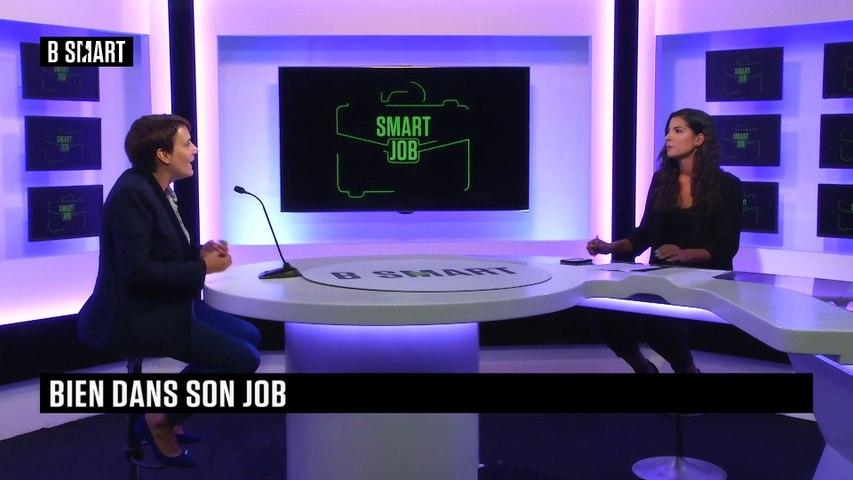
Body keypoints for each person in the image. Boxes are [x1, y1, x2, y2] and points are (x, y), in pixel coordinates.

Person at [77, 114, 261, 467]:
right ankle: (161, 419)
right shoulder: (132, 194)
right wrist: (204, 268)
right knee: (244, 359)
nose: (195, 150)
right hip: (138, 315)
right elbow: (137, 273)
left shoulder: (154, 187)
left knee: (250, 335)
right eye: (186, 144)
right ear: (163, 155)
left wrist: (199, 252)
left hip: (164, 303)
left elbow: (160, 251)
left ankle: (170, 412)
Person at [586, 108, 742, 374]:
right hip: (661, 277)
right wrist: (609, 247)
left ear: (699, 139)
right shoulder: (662, 180)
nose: (668, 137)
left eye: (678, 131)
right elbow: (643, 236)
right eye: (668, 131)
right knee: (602, 309)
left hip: (706, 279)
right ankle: (643, 368)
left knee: (656, 323)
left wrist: (685, 254)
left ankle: (688, 372)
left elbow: (726, 247)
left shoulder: (727, 185)